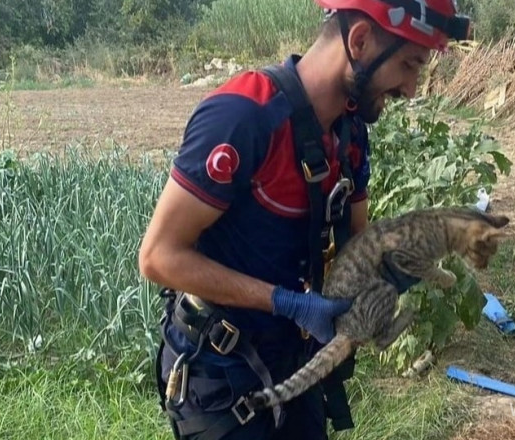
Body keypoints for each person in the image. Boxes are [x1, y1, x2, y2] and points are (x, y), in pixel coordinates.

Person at [137, 1, 472, 439]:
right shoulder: (243, 116)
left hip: (295, 365)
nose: (411, 89)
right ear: (360, 41)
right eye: (409, 64)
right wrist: (288, 302)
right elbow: (159, 257)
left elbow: (357, 240)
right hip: (217, 375)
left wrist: (392, 271)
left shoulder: (349, 132)